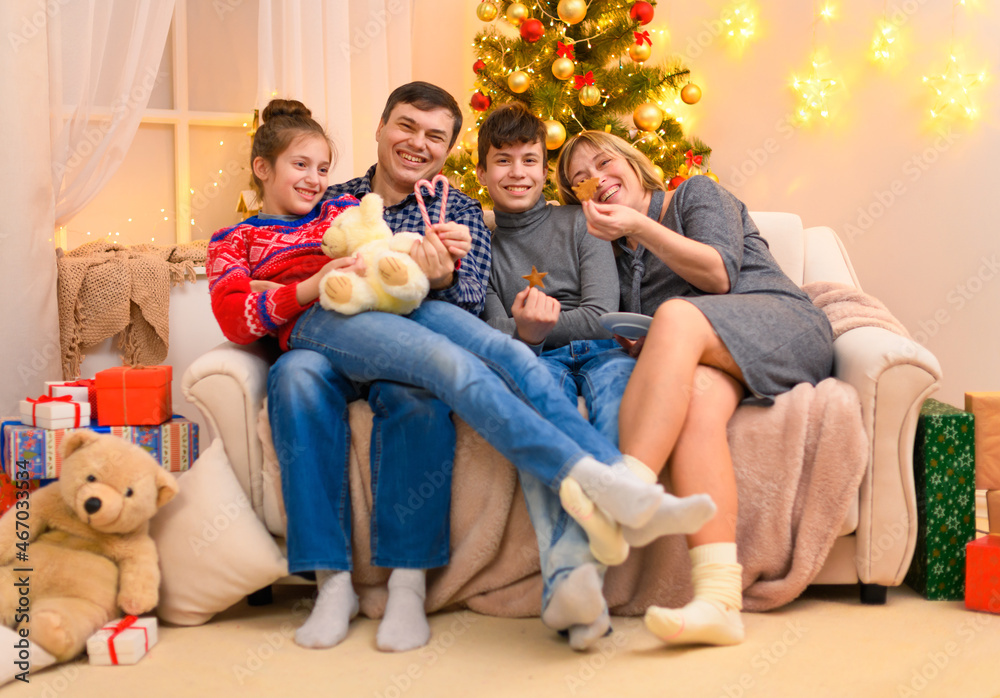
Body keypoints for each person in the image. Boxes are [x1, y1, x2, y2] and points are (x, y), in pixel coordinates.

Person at [210, 93, 684, 654]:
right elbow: (291, 271)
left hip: (405, 340)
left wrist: (438, 278)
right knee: (295, 377)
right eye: (406, 127)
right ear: (381, 127)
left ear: (450, 151)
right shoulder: (331, 200)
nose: (418, 143)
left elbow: (469, 314)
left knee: (419, 391)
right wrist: (284, 289)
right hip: (330, 337)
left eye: (436, 136)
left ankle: (409, 584)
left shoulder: (458, 214)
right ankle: (329, 581)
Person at [556, 131, 834, 647]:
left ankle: (626, 493)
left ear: (634, 164)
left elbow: (719, 275)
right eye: (579, 179)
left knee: (676, 314)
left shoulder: (695, 195)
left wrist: (640, 225)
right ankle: (720, 601)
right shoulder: (612, 253)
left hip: (781, 323)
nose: (594, 178)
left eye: (603, 162)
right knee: (696, 410)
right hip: (719, 348)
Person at [477, 104, 716, 648]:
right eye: (503, 161)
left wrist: (537, 325)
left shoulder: (581, 222)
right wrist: (528, 338)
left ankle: (598, 541)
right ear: (484, 172)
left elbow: (601, 316)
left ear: (544, 169)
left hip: (604, 351)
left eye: (530, 160)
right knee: (544, 426)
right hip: (536, 359)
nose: (517, 172)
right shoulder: (484, 245)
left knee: (615, 405)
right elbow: (499, 333)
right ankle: (574, 584)